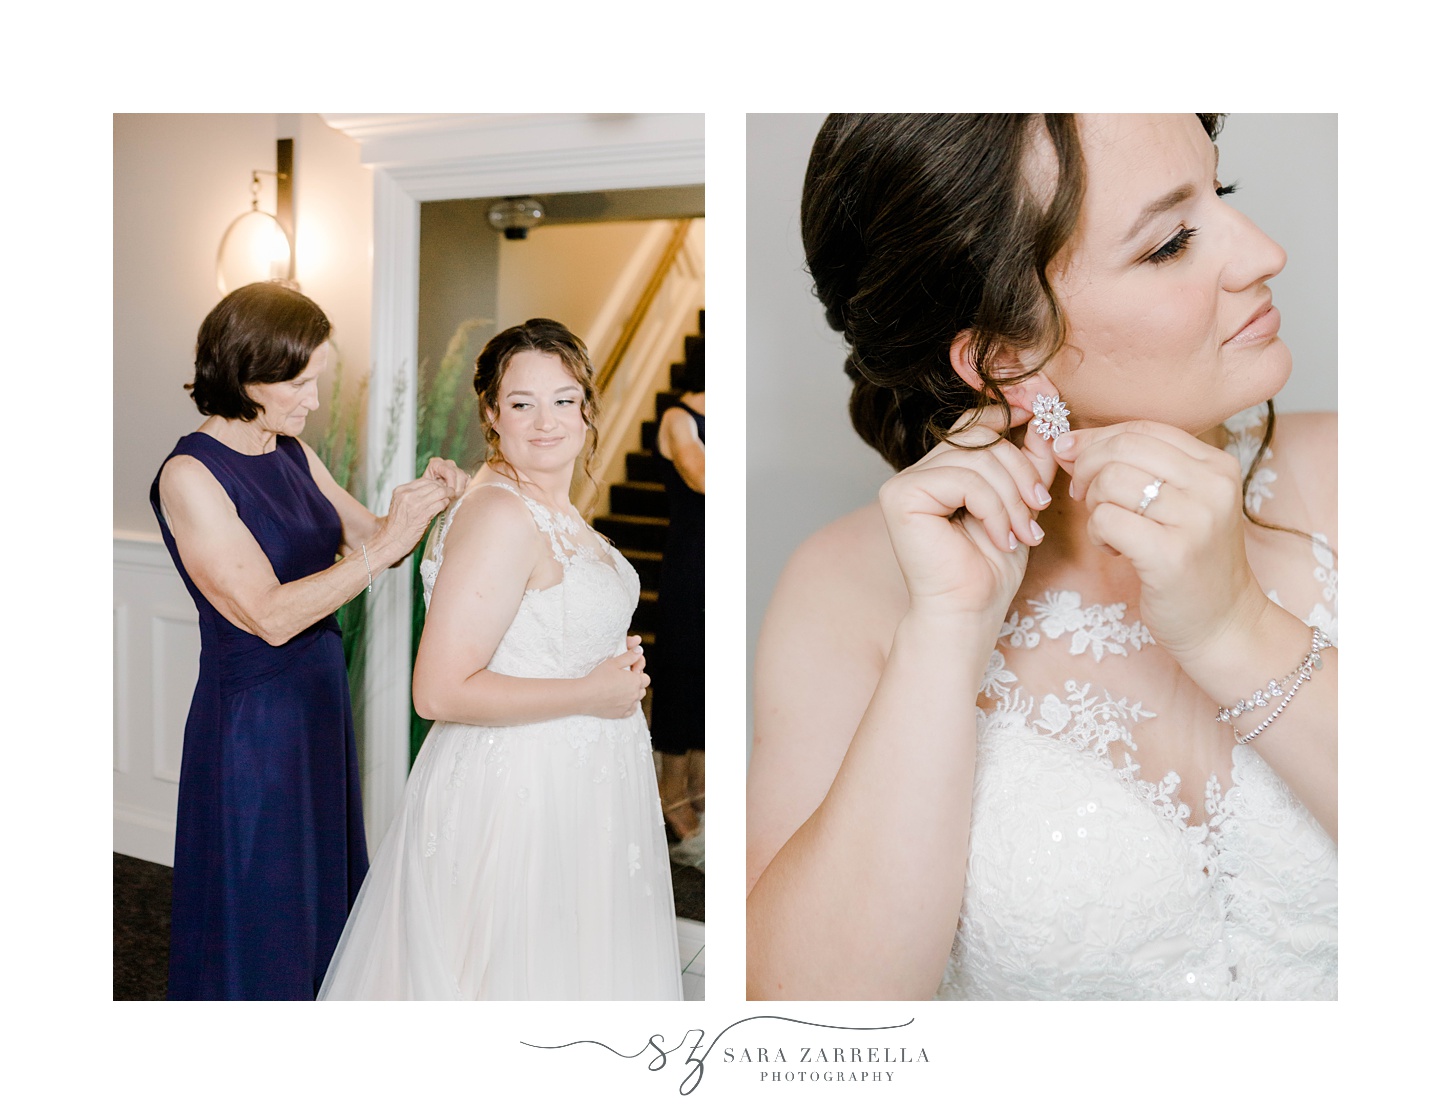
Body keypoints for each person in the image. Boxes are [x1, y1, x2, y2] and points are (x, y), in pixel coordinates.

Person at [747, 114, 1337, 1001]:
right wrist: (946, 633)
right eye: (1171, 241)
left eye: (1223, 193)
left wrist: (1236, 628)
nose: (1262, 253)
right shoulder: (845, 589)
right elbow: (805, 1029)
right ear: (1005, 356)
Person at [318, 318, 682, 1000]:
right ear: (491, 412)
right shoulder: (499, 514)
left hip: (578, 782)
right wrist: (590, 692)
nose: (546, 421)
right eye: (522, 403)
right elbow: (440, 692)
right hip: (519, 792)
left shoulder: (552, 509)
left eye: (564, 399)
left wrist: (606, 655)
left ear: (586, 407)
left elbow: (542, 628)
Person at [151, 282, 466, 999]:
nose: (314, 399)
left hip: (317, 698)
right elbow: (267, 614)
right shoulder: (190, 474)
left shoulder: (289, 448)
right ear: (245, 373)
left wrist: (438, 497)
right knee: (262, 900)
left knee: (320, 888)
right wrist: (384, 549)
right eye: (299, 382)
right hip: (254, 723)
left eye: (316, 378)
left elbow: (366, 534)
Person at [651, 371, 706, 847]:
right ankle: (672, 795)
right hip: (692, 561)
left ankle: (703, 789)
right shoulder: (679, 417)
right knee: (681, 672)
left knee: (714, 673)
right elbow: (702, 477)